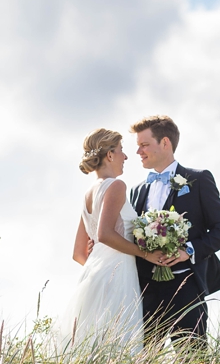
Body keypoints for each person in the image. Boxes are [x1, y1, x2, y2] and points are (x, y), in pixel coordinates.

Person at [59, 128, 169, 352]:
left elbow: (79, 252)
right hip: (118, 276)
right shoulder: (116, 186)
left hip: (93, 276)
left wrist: (100, 269)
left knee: (92, 345)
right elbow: (105, 234)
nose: (125, 156)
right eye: (121, 151)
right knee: (119, 345)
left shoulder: (88, 194)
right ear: (109, 155)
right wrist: (146, 254)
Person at [129, 115, 220, 344]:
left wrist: (188, 250)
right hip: (146, 291)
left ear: (165, 143)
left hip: (187, 287)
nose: (139, 152)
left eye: (144, 145)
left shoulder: (198, 180)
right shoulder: (136, 191)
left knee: (192, 362)